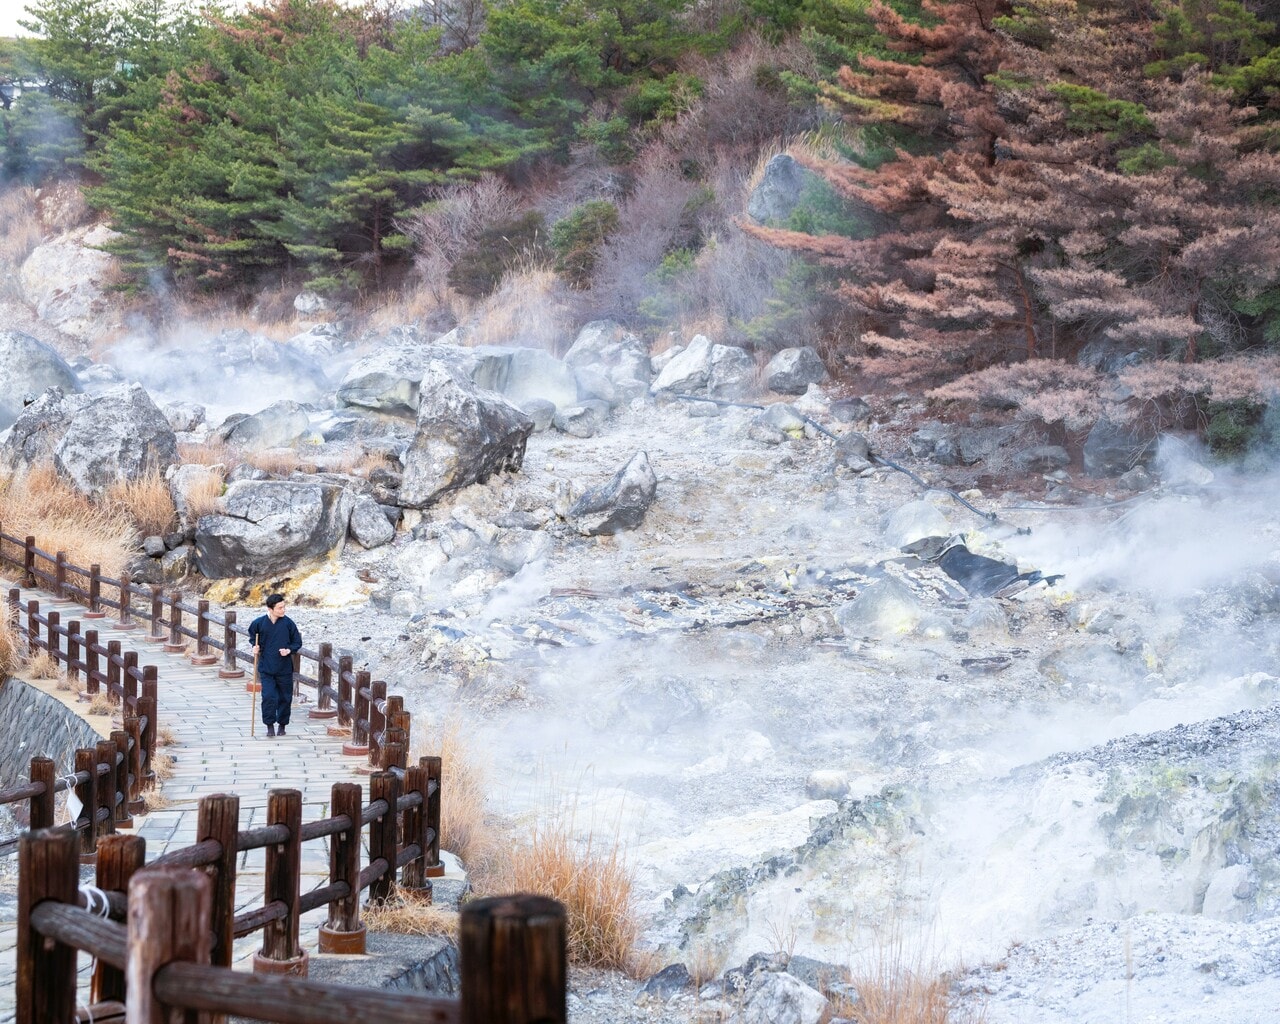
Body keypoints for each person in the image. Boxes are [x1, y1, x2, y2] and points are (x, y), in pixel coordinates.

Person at [248, 594, 302, 738]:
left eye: (284, 607)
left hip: (284, 668)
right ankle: (269, 725)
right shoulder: (259, 623)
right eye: (280, 608)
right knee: (268, 697)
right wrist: (255, 646)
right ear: (270, 609)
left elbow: (297, 642)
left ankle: (282, 725)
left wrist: (289, 650)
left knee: (285, 697)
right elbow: (253, 637)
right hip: (266, 667)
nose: (283, 610)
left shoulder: (288, 624)